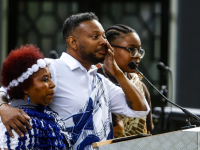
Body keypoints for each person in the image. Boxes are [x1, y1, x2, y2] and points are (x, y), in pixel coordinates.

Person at [0, 12, 150, 149]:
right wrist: (3, 108)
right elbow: (9, 88)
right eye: (95, 36)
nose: (104, 42)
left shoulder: (100, 81)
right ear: (73, 42)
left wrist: (117, 72)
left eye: (104, 37)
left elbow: (140, 109)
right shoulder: (50, 68)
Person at [0, 44, 65, 149]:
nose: (53, 84)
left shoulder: (44, 113)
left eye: (50, 78)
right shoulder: (18, 122)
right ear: (25, 87)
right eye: (45, 79)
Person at [97, 24, 154, 136]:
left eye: (139, 50)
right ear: (109, 49)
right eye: (131, 49)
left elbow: (147, 133)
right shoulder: (94, 80)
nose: (137, 56)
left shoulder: (140, 87)